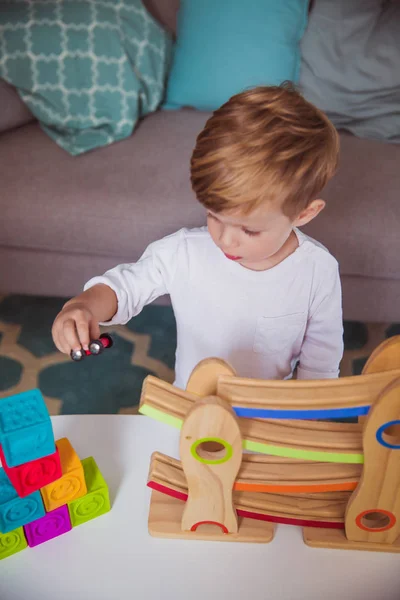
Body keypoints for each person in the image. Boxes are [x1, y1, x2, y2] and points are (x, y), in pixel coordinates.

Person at [52, 83, 343, 388]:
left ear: (304, 214)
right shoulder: (184, 252)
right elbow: (124, 288)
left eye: (249, 229)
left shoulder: (318, 271)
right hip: (191, 406)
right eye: (214, 216)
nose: (226, 240)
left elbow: (320, 368)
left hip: (267, 416)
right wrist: (82, 307)